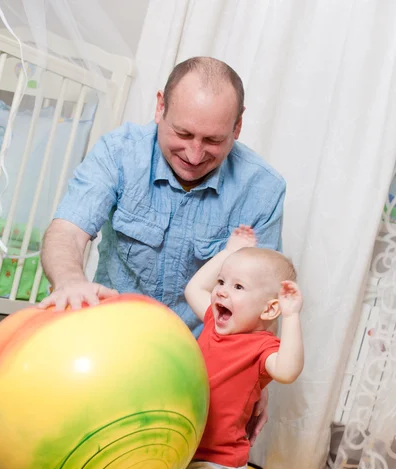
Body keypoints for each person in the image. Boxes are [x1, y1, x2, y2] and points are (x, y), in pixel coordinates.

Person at [39, 56, 286, 443]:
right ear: (160, 107)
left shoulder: (264, 189)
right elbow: (66, 232)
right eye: (183, 134)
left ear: (238, 126)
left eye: (213, 140)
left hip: (193, 366)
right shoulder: (119, 151)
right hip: (107, 340)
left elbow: (261, 298)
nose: (193, 153)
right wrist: (70, 281)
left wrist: (257, 378)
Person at [142, 225, 304, 469]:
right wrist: (227, 254)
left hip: (216, 459)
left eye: (238, 287)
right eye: (222, 283)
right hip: (183, 449)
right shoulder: (214, 323)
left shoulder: (263, 347)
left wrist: (291, 317)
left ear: (269, 309)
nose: (221, 293)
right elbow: (194, 287)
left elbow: (288, 371)